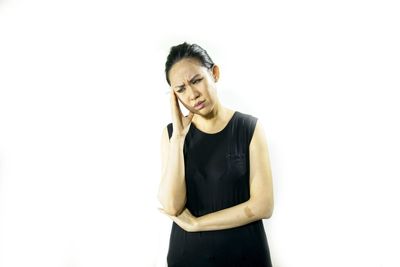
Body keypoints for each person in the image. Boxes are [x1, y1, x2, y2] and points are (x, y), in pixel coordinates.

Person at [157, 42, 274, 267]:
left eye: (196, 80)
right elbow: (172, 206)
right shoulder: (172, 135)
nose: (192, 94)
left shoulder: (248, 127)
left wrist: (198, 224)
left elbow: (263, 205)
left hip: (246, 256)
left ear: (215, 73)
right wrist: (179, 138)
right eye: (181, 89)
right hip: (188, 258)